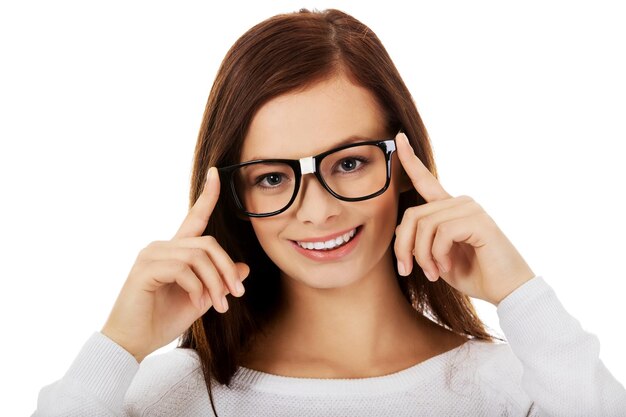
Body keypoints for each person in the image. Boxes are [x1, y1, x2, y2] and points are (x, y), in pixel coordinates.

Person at [32, 8, 626, 417]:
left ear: (403, 163)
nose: (316, 212)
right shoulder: (166, 397)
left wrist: (522, 295)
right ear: (234, 199)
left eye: (348, 164)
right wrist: (118, 347)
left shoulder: (515, 392)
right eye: (272, 177)